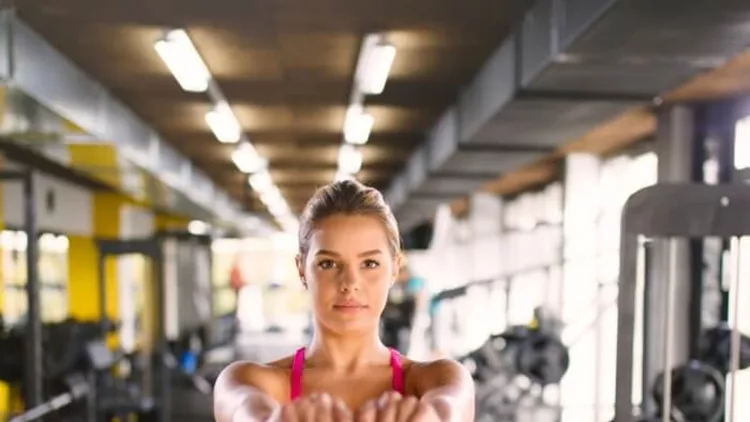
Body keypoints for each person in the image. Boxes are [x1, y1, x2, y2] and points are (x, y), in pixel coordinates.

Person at [214, 180, 475, 421]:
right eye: (328, 263)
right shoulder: (247, 380)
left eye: (370, 263)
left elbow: (448, 411)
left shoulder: (439, 379)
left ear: (395, 269)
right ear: (302, 269)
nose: (350, 282)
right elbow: (245, 412)